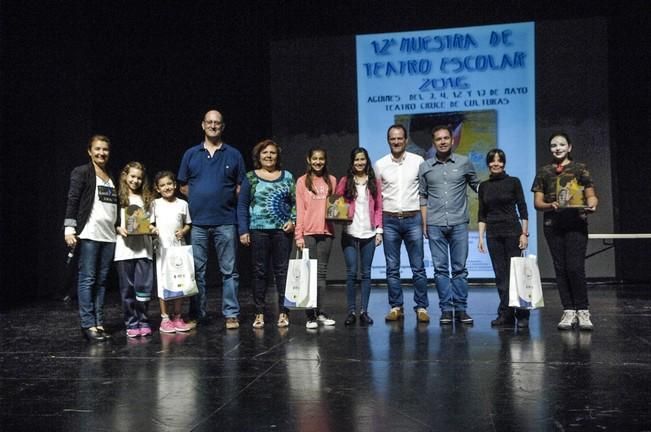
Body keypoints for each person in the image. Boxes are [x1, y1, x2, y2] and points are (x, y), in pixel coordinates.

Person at [178, 110, 245, 329]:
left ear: (222, 126)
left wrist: (220, 199)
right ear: (203, 125)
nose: (213, 126)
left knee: (229, 271)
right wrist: (200, 197)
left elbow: (240, 186)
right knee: (197, 271)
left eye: (217, 123)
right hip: (197, 222)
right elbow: (183, 185)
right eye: (209, 122)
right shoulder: (191, 154)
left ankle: (231, 314)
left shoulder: (233, 154)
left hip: (226, 220)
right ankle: (198, 313)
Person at [531, 132, 598, 330]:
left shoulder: (580, 169)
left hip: (576, 224)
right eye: (553, 145)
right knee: (560, 268)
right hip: (554, 226)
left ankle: (583, 311)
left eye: (561, 144)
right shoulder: (544, 171)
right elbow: (537, 202)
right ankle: (568, 310)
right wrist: (549, 205)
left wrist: (592, 205)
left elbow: (591, 195)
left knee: (575, 267)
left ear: (569, 147)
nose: (557, 148)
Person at [419, 125, 480, 325]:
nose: (443, 141)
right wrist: (425, 223)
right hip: (435, 223)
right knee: (440, 269)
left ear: (452, 140)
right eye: (439, 139)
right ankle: (446, 309)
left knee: (460, 268)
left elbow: (477, 185)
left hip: (459, 223)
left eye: (446, 138)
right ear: (434, 142)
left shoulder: (464, 162)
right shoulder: (425, 166)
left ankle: (461, 309)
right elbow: (423, 196)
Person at [64, 135, 119, 342]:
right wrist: (69, 228)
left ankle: (98, 321)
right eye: (97, 149)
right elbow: (73, 200)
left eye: (105, 149)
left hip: (109, 235)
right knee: (88, 279)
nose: (101, 153)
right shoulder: (82, 172)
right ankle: (88, 324)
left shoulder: (111, 174)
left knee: (102, 280)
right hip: (89, 233)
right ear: (89, 151)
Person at [237, 139, 296, 329]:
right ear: (258, 156)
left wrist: (293, 221)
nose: (269, 156)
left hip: (282, 232)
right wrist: (243, 230)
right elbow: (242, 205)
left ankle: (284, 313)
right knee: (259, 272)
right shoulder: (250, 177)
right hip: (258, 231)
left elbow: (296, 202)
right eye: (265, 153)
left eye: (272, 153)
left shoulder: (287, 176)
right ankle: (259, 312)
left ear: (277, 156)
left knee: (282, 272)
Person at [374, 124, 430, 323]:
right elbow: (377, 199)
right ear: (388, 140)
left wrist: (425, 222)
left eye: (399, 138)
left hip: (413, 217)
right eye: (392, 138)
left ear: (406, 140)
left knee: (418, 267)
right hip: (389, 220)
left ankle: (421, 306)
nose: (396, 142)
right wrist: (378, 227)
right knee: (392, 267)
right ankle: (396, 306)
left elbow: (424, 193)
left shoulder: (418, 161)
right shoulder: (380, 164)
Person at [477, 149, 530, 328]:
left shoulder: (514, 182)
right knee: (501, 276)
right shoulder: (483, 186)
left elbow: (523, 208)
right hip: (493, 234)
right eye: (492, 161)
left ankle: (522, 313)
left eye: (499, 160)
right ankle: (506, 314)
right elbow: (482, 213)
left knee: (516, 275)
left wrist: (524, 233)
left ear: (504, 163)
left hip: (513, 233)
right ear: (488, 164)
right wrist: (481, 238)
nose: (496, 163)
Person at [335, 147, 383, 326]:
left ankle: (364, 311)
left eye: (362, 159)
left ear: (366, 161)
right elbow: (336, 203)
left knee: (366, 273)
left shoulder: (374, 181)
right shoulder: (345, 181)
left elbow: (379, 207)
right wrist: (338, 216)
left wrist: (379, 231)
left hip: (369, 233)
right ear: (352, 162)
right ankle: (351, 311)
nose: (360, 163)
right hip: (349, 232)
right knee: (351, 273)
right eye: (356, 160)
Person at [295, 147, 337, 329]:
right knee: (309, 275)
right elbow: (300, 210)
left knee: (321, 275)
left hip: (326, 233)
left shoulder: (332, 181)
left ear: (325, 160)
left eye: (321, 159)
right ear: (308, 160)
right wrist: (299, 235)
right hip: (309, 233)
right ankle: (310, 315)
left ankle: (320, 312)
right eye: (315, 159)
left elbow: (337, 206)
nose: (318, 162)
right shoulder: (302, 181)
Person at [114, 162, 155, 337]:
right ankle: (131, 322)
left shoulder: (148, 200)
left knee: (143, 288)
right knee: (127, 289)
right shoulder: (118, 198)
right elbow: (114, 222)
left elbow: (151, 224)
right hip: (124, 250)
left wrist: (153, 229)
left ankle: (143, 320)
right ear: (125, 176)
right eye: (132, 176)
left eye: (139, 177)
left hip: (144, 250)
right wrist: (118, 228)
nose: (135, 180)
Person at [150, 171, 193, 334]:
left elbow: (188, 224)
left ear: (175, 185)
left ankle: (177, 316)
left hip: (179, 249)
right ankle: (165, 318)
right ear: (157, 188)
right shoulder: (155, 204)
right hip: (162, 249)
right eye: (162, 185)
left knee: (179, 283)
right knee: (163, 283)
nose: (166, 187)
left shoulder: (183, 204)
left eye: (169, 184)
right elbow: (149, 223)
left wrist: (183, 231)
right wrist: (153, 229)